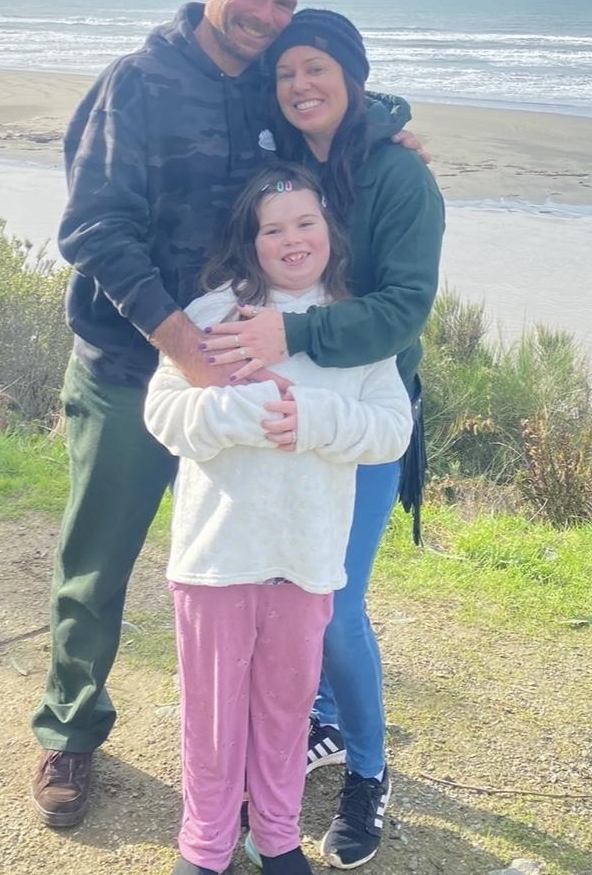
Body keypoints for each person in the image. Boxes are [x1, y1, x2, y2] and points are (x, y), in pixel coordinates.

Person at [32, 0, 423, 828]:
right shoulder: (137, 82)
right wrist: (182, 345)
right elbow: (93, 229)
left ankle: (253, 752)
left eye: (284, 2)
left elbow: (337, 102)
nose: (266, 15)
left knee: (256, 574)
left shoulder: (266, 85)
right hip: (131, 365)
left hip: (246, 369)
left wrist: (393, 130)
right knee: (99, 560)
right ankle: (70, 729)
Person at [200, 9, 444, 869]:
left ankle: (369, 772)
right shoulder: (283, 163)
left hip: (363, 414)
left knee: (335, 605)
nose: (301, 85)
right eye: (286, 72)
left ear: (353, 76)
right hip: (281, 418)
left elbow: (406, 308)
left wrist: (293, 335)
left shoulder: (400, 176)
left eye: (318, 69)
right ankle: (318, 727)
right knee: (281, 595)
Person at [144, 164, 412, 875]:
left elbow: (392, 430)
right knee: (213, 714)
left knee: (287, 711)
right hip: (215, 557)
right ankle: (205, 844)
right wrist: (255, 409)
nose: (292, 240)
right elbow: (163, 413)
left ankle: (276, 836)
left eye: (305, 223)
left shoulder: (356, 326)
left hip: (307, 557)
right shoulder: (211, 315)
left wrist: (315, 417)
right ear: (251, 240)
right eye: (273, 229)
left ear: (331, 232)